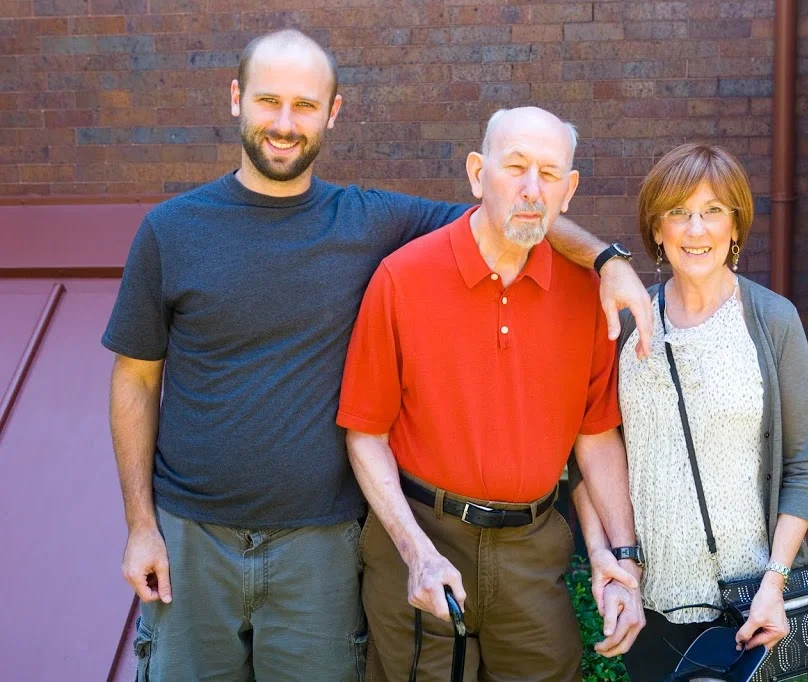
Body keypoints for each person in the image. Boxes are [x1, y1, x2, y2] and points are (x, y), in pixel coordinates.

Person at [102, 30, 652, 682]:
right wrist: (141, 525)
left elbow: (512, 211)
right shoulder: (171, 230)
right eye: (269, 101)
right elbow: (135, 381)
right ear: (236, 99)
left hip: (321, 545)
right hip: (193, 538)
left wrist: (606, 259)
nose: (285, 123)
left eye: (305, 105)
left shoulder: (369, 222)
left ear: (332, 112)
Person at [337, 106, 645, 682]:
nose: (532, 189)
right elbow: (365, 435)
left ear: (569, 190)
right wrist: (416, 553)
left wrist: (624, 560)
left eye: (549, 174)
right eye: (515, 167)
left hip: (532, 550)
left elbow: (597, 437)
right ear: (478, 174)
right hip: (421, 535)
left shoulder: (587, 295)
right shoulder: (402, 278)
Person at [571, 143, 808, 681]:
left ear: (735, 227)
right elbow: (588, 450)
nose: (696, 229)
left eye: (713, 211)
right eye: (678, 212)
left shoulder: (772, 321)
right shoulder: (623, 323)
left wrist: (775, 583)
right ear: (656, 229)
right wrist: (608, 562)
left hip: (751, 608)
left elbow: (804, 466)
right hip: (651, 606)